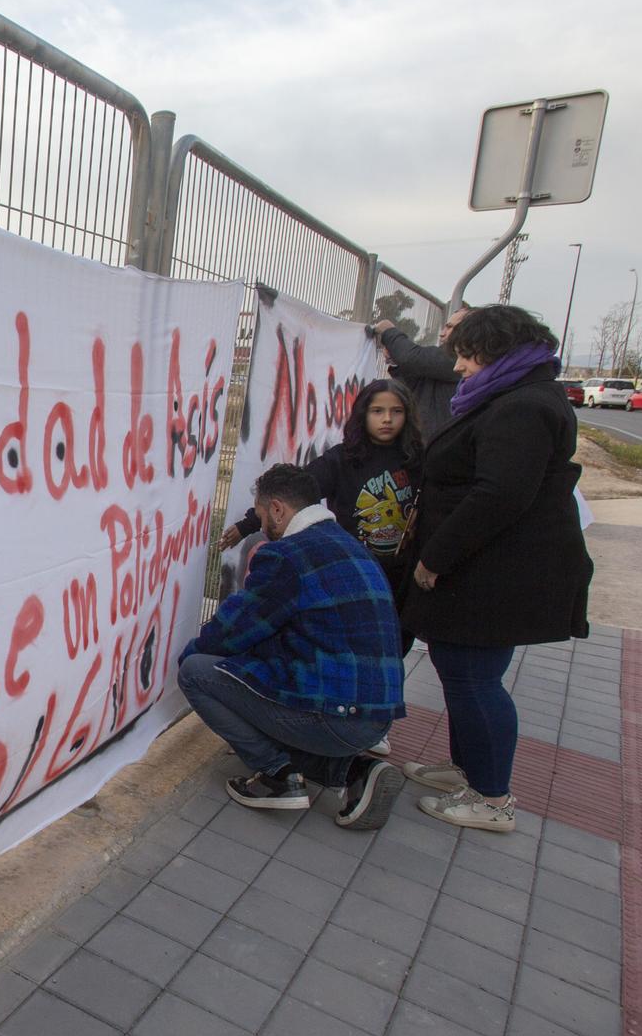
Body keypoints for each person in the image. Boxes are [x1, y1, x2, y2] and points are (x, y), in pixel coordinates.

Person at [399, 304, 593, 833]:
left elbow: (499, 494)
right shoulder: (518, 398)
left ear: (495, 352)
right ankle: (468, 770)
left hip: (490, 574)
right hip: (488, 570)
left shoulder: (523, 408)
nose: (459, 368)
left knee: (473, 679)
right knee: (462, 672)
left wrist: (436, 558)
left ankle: (491, 798)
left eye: (466, 356)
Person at [181, 463, 407, 829]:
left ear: (276, 509)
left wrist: (189, 655)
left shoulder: (286, 556)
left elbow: (232, 631)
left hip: (337, 715)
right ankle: (355, 771)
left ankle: (276, 776)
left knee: (197, 674)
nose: (262, 525)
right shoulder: (347, 543)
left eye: (258, 514)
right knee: (255, 677)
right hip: (376, 715)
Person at [221, 378, 424, 651]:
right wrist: (249, 524)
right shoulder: (343, 459)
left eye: (396, 411)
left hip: (402, 575)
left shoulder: (417, 459)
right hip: (354, 570)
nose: (387, 419)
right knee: (354, 644)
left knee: (394, 645)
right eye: (377, 411)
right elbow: (294, 491)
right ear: (363, 414)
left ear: (407, 415)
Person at [369, 304, 469, 438]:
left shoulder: (460, 357)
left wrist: (389, 331)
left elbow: (411, 358)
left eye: (450, 327)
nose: (442, 333)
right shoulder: (445, 368)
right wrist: (397, 363)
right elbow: (417, 386)